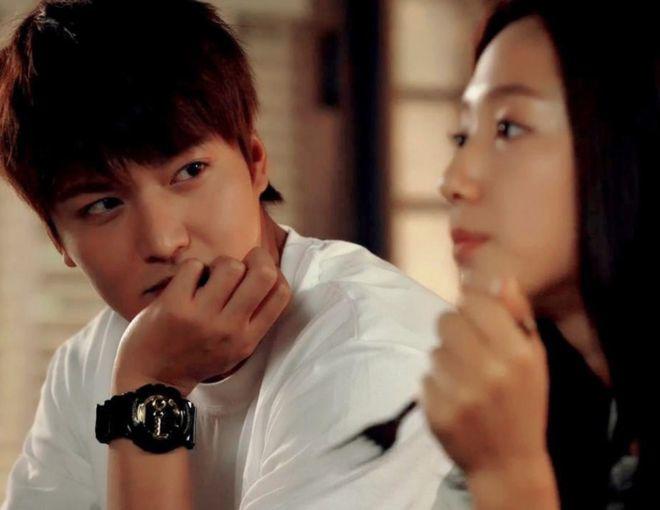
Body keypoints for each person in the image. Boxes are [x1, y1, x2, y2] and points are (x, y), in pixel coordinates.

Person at [0, 1, 454, 508]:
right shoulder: (86, 363)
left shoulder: (368, 351)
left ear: (256, 164)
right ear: (60, 241)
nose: (163, 241)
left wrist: (149, 391)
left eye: (189, 172)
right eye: (104, 204)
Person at [421, 0, 658, 508]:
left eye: (508, 128)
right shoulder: (520, 405)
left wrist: (510, 476)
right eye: (462, 135)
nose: (453, 180)